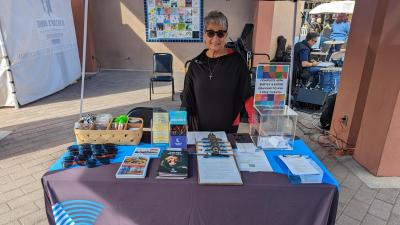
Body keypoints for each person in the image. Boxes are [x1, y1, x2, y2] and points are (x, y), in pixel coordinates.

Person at [181, 11, 253, 133]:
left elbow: (247, 94)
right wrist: (181, 123)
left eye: (220, 33)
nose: (215, 38)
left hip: (228, 131)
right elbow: (187, 99)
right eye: (210, 33)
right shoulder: (195, 65)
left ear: (225, 36)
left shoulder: (237, 62)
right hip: (199, 131)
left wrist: (254, 122)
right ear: (204, 35)